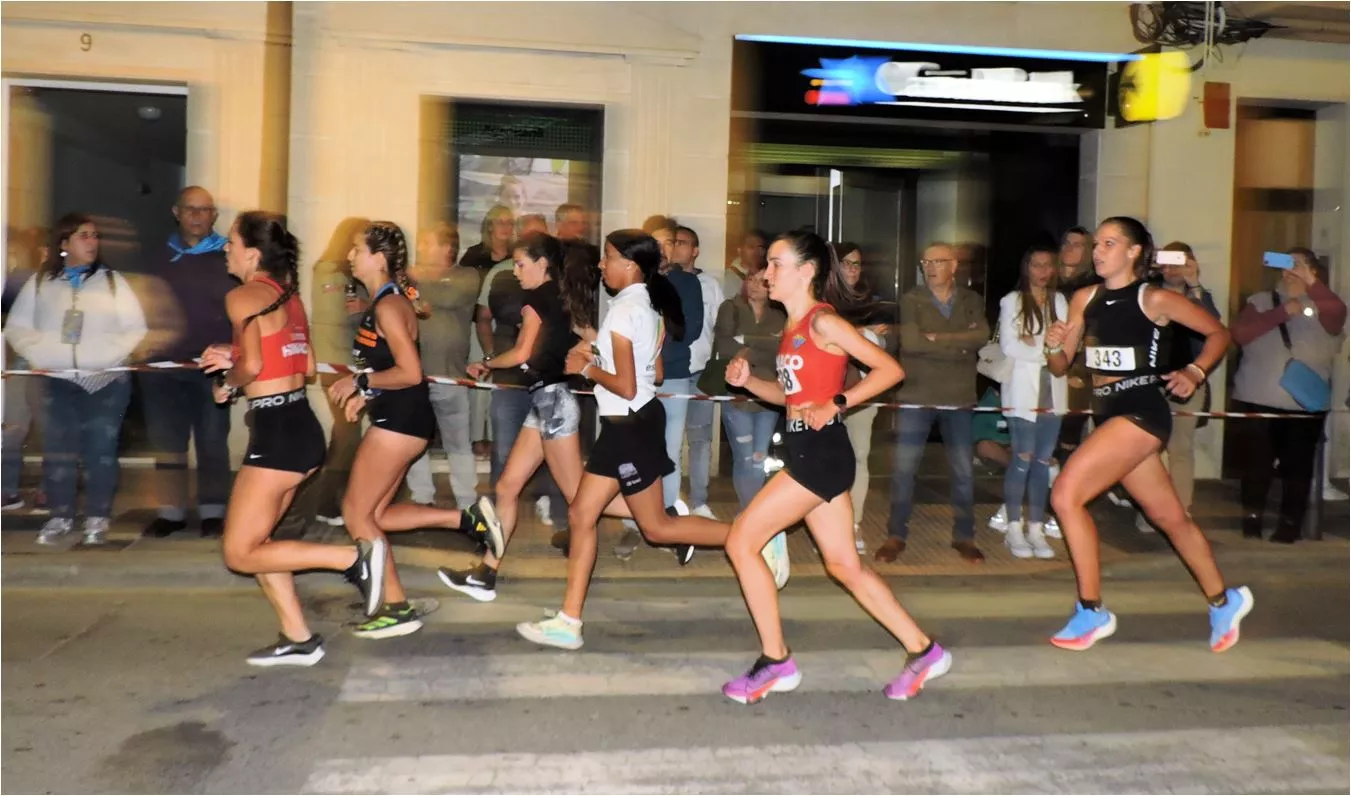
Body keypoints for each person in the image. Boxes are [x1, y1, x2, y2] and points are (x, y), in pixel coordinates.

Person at [514, 230, 783, 652]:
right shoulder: (648, 307)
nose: (602, 265)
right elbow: (653, 374)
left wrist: (586, 369)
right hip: (633, 422)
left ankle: (754, 535)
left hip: (628, 425)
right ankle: (569, 619)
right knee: (601, 517)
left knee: (652, 527)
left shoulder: (625, 311)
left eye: (608, 258)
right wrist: (597, 357)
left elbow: (623, 384)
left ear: (630, 265)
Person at [720, 231, 950, 705]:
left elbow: (889, 370)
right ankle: (923, 650)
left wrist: (839, 402)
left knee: (740, 541)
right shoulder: (794, 328)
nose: (766, 273)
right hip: (812, 450)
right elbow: (792, 401)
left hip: (819, 455)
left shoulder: (823, 322)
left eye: (776, 264)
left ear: (806, 272)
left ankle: (776, 660)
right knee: (845, 566)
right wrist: (751, 383)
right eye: (767, 264)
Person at [1044, 216, 1252, 653]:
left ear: (1134, 251)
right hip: (1107, 414)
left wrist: (1195, 371)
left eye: (1109, 243)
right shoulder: (1084, 298)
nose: (1097, 251)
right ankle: (1223, 600)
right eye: (1096, 244)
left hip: (1141, 411)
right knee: (1170, 518)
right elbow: (1060, 367)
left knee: (1065, 495)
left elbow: (1219, 333)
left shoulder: (1153, 298)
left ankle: (1091, 609)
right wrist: (1054, 342)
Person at [198, 211, 385, 666]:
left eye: (231, 243)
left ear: (252, 252)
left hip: (276, 433)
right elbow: (301, 367)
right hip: (302, 426)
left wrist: (226, 381)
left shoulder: (243, 296)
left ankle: (352, 560)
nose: (226, 250)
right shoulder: (291, 298)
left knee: (240, 553)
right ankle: (298, 637)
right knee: (261, 543)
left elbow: (253, 367)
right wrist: (237, 352)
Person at [328, 221, 498, 640]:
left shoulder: (388, 305)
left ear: (378, 257)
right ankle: (468, 518)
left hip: (399, 423)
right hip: (400, 417)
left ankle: (394, 606)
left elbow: (409, 372)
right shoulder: (386, 301)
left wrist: (362, 384)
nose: (350, 256)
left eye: (356, 249)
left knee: (355, 512)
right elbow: (387, 367)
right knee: (378, 515)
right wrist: (365, 394)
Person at [438, 232, 592, 602]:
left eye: (521, 264)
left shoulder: (536, 298)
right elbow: (591, 337)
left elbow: (522, 351)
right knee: (507, 488)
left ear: (542, 264)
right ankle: (485, 573)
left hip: (552, 404)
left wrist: (486, 363)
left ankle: (654, 516)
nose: (516, 271)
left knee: (581, 499)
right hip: (546, 403)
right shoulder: (564, 296)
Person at [4, 214, 146, 545]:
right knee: (58, 451)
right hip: (55, 380)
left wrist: (106, 357)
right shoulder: (41, 283)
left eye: (95, 236)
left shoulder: (112, 282)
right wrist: (43, 355)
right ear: (64, 244)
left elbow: (135, 328)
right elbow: (17, 328)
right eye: (83, 236)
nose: (92, 242)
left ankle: (98, 516)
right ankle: (60, 516)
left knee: (101, 450)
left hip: (105, 381)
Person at [136, 186, 235, 538]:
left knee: (211, 440)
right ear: (176, 212)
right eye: (190, 209)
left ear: (214, 216)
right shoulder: (155, 257)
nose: (197, 216)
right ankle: (171, 513)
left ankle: (213, 512)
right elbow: (138, 304)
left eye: (205, 210)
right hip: (162, 369)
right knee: (167, 443)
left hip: (211, 368)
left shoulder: (229, 256)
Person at [1230, 246, 1346, 543]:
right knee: (1256, 467)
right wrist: (1281, 313)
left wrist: (1310, 283)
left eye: (1299, 266)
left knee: (1298, 468)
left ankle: (1289, 527)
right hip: (1257, 397)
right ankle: (1251, 523)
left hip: (1303, 404)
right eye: (1286, 265)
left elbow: (1337, 315)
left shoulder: (1326, 305)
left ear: (1313, 270)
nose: (1290, 271)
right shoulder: (1261, 300)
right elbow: (1240, 335)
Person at [996, 244, 1068, 560]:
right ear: (1027, 268)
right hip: (1022, 392)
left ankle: (1036, 527)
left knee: (1042, 461)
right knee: (1022, 458)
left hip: (1053, 390)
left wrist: (1038, 346)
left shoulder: (1060, 301)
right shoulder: (1012, 301)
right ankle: (1014, 525)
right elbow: (1010, 346)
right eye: (1036, 265)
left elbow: (1066, 344)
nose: (1042, 271)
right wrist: (1046, 351)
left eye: (1047, 265)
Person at [713, 261, 786, 510]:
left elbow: (780, 352)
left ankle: (751, 516)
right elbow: (726, 349)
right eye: (751, 279)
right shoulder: (731, 308)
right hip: (738, 396)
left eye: (761, 281)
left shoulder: (779, 315)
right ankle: (750, 514)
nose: (755, 285)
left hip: (768, 395)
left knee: (759, 458)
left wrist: (746, 343)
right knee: (744, 458)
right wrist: (765, 344)